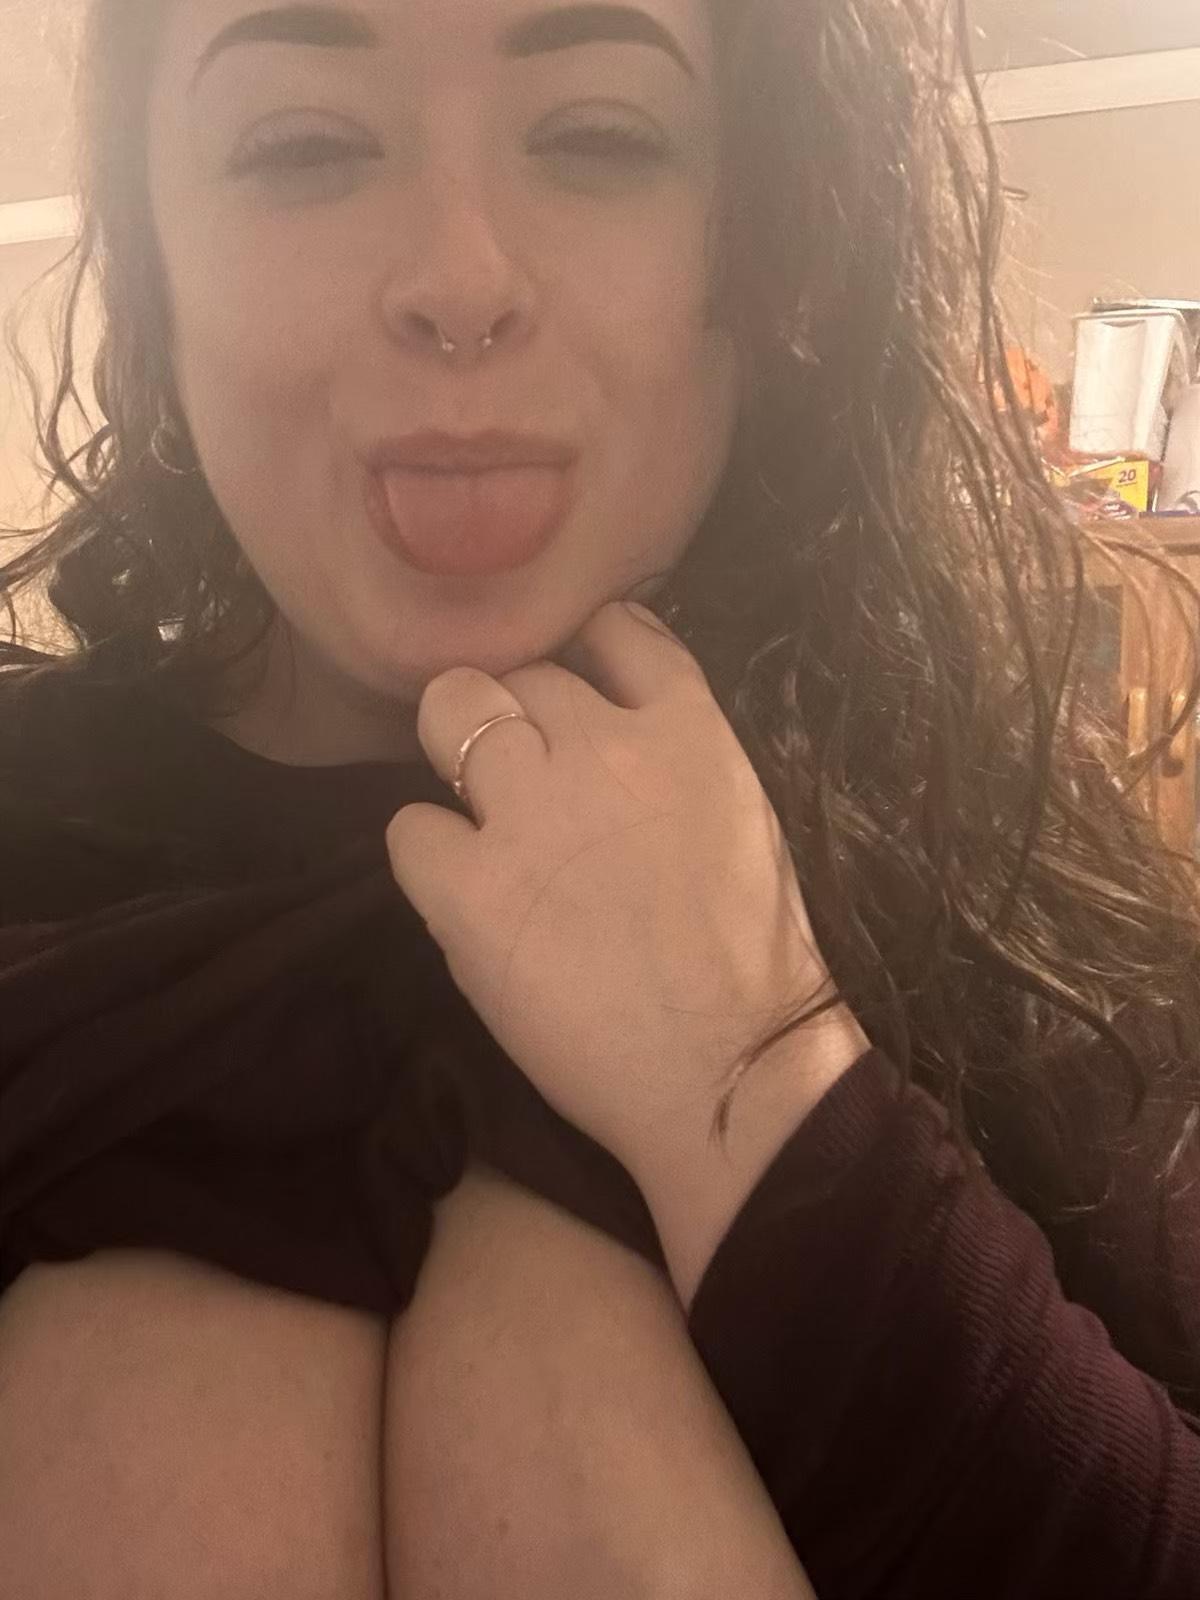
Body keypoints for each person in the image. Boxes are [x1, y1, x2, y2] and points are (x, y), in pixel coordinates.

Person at [0, 0, 1198, 1594]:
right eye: (303, 147)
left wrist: (761, 1080)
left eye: (597, 138)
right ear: (153, 272)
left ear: (778, 244)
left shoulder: (996, 866)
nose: (460, 279)